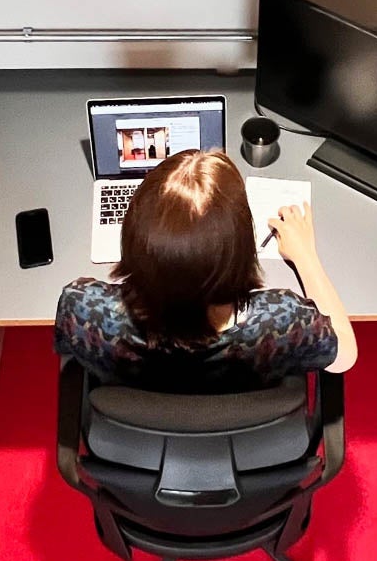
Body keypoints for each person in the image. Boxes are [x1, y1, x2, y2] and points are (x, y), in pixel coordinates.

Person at [54, 149, 357, 393]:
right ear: (241, 249)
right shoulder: (285, 320)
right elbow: (345, 356)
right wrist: (306, 256)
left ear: (132, 238)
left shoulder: (82, 308)